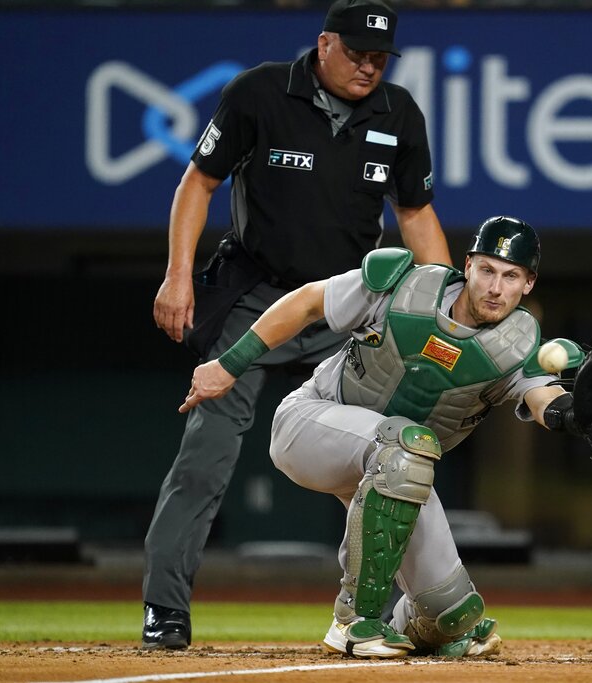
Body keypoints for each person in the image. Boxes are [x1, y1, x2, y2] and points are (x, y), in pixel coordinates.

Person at [144, 0, 451, 650]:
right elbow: (197, 184)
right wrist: (177, 274)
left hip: (345, 304)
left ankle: (411, 608)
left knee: (395, 449)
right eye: (358, 52)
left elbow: (418, 216)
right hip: (259, 294)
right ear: (324, 44)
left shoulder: (398, 113)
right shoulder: (260, 92)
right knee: (205, 454)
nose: (370, 66)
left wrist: (443, 306)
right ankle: (164, 607)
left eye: (380, 57)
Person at [178, 216, 592, 659]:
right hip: (313, 421)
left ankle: (406, 622)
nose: (496, 286)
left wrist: (574, 412)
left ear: (528, 284)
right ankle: (354, 621)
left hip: (397, 467)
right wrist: (230, 363)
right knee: (407, 447)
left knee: (453, 619)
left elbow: (542, 398)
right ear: (468, 265)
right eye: (488, 270)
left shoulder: (519, 346)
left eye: (511, 276)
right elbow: (306, 303)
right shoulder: (404, 286)